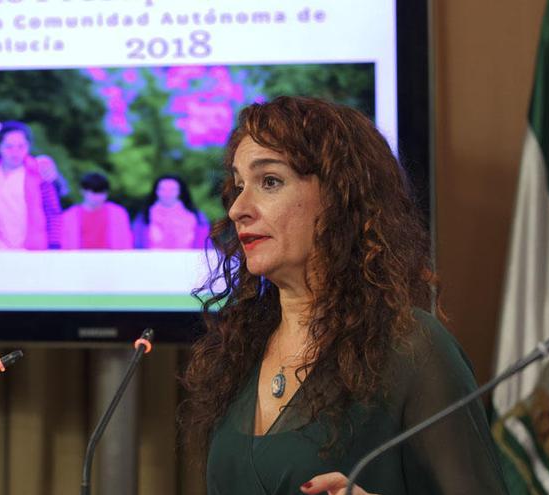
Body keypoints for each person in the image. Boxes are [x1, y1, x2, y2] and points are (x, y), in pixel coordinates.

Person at [179, 96, 507, 495]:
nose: (238, 209)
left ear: (339, 197)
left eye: (270, 182)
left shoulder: (412, 347)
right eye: (237, 186)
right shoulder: (239, 349)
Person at [0, 121, 63, 250]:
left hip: (30, 250)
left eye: (21, 146)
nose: (15, 152)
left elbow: (53, 213)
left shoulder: (40, 173)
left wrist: (54, 246)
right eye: (8, 147)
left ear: (28, 146)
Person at [132, 174, 210, 249]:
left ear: (180, 191)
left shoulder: (196, 216)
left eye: (172, 189)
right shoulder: (144, 217)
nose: (167, 193)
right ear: (156, 191)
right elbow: (136, 244)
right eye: (163, 189)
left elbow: (206, 245)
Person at [61, 172, 132, 249]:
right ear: (83, 191)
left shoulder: (118, 214)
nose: (97, 197)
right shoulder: (69, 216)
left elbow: (126, 243)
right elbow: (65, 245)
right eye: (94, 192)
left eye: (101, 192)